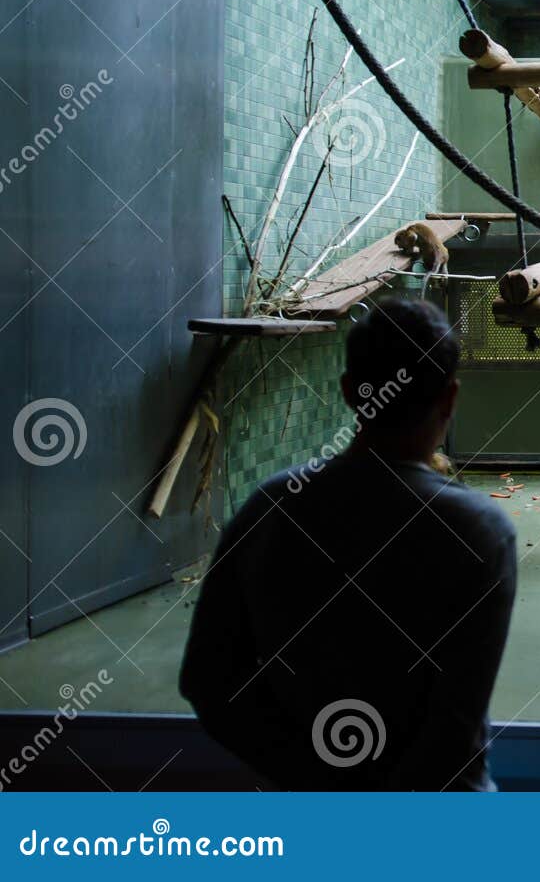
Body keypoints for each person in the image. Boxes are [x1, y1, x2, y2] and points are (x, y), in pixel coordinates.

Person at [180, 297, 517, 790]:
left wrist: (311, 779)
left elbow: (209, 681)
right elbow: (452, 728)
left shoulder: (270, 507)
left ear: (348, 393)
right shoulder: (478, 529)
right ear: (449, 399)